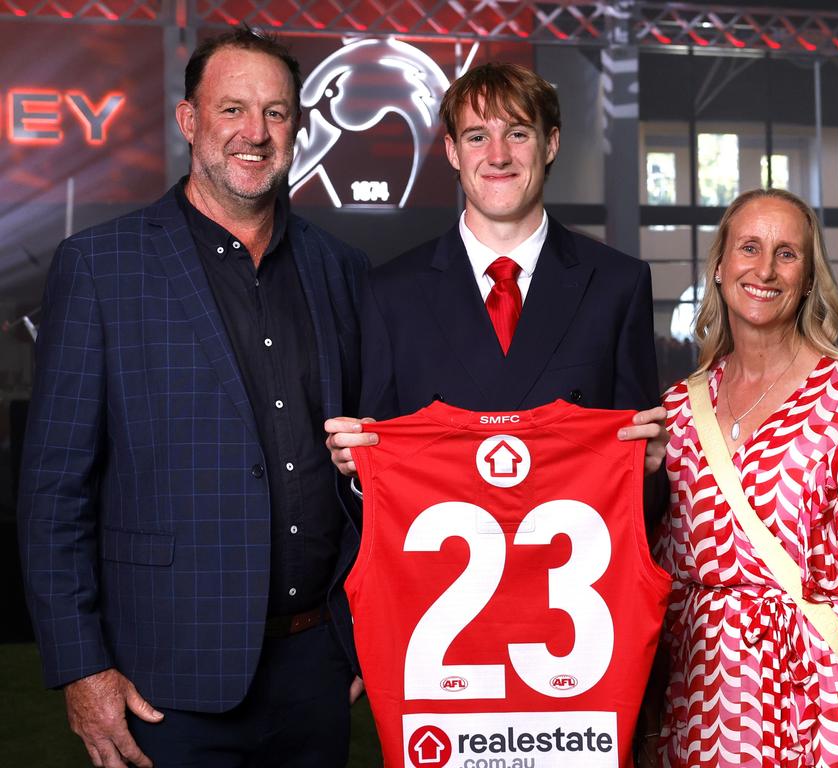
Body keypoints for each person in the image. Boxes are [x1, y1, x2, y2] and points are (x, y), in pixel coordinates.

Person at [18, 28, 367, 768]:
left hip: (318, 671)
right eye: (233, 109)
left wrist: (366, 632)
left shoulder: (343, 271)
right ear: (189, 122)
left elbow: (374, 467)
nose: (256, 133)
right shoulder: (101, 268)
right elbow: (54, 492)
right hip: (163, 683)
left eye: (276, 114)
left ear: (297, 129)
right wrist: (82, 668)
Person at [653, 189, 838, 767]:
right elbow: (655, 578)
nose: (764, 269)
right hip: (694, 704)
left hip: (817, 703)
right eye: (750, 248)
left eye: (787, 253)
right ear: (719, 266)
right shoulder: (678, 411)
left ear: (810, 278)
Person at [326, 61, 666, 482]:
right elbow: (382, 472)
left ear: (551, 144)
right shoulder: (390, 293)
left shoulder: (618, 285)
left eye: (518, 134)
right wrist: (361, 473)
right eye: (477, 137)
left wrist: (650, 470)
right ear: (452, 150)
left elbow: (641, 483)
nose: (499, 155)